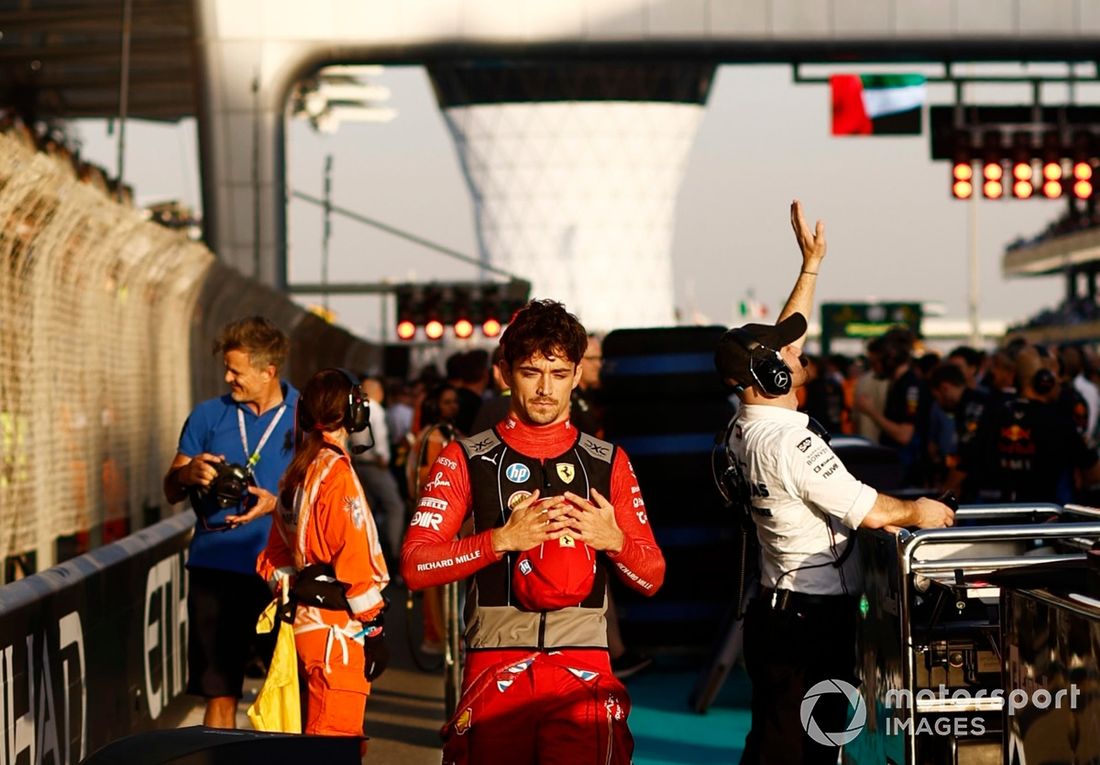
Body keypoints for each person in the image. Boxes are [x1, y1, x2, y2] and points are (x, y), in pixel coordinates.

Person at [713, 200, 955, 765]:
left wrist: (810, 266)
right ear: (770, 375)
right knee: (801, 750)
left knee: (784, 742)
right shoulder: (787, 444)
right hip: (808, 619)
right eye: (785, 355)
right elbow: (871, 511)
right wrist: (921, 512)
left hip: (783, 610)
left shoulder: (744, 425)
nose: (797, 355)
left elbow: (782, 340)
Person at [401, 299, 665, 764]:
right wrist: (500, 540)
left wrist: (615, 542)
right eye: (530, 372)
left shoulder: (608, 462)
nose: (545, 389)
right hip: (496, 669)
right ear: (505, 372)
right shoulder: (465, 458)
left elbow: (652, 577)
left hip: (583, 672)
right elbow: (415, 566)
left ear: (577, 375)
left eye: (558, 374)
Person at [162, 316, 298, 728]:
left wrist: (277, 504)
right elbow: (170, 489)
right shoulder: (208, 415)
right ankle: (220, 756)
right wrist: (187, 474)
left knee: (289, 692)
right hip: (217, 568)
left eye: (236, 371)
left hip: (283, 572)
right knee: (219, 692)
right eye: (227, 368)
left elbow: (329, 496)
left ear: (268, 371)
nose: (227, 378)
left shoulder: (305, 416)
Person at [256, 368, 390, 738]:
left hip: (304, 627)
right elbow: (354, 559)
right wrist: (374, 628)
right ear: (354, 411)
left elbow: (274, 557)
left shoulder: (297, 471)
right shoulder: (336, 475)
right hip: (338, 633)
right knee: (336, 744)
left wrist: (298, 592)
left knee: (314, 741)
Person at [956, 347, 1100, 504]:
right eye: (1056, 375)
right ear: (1044, 380)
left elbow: (963, 463)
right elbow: (1093, 472)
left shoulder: (991, 413)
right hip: (1043, 513)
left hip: (995, 512)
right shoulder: (1059, 421)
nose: (1059, 381)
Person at [352, 376, 407, 564]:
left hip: (359, 464)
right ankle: (392, 552)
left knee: (366, 509)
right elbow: (380, 436)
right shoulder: (375, 409)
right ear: (378, 392)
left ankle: (366, 549)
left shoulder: (357, 408)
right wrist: (382, 456)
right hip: (375, 465)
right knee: (395, 506)